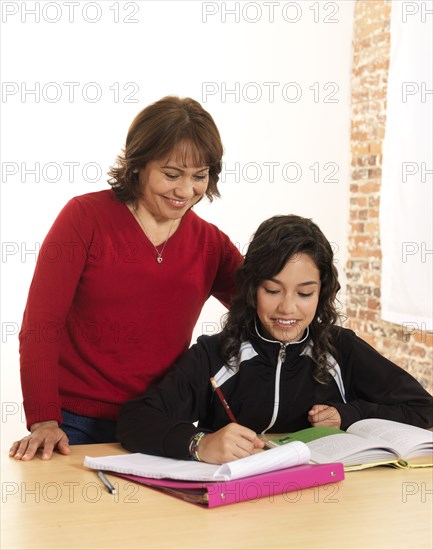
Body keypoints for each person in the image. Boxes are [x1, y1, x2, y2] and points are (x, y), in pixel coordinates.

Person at [10, 96, 243, 461]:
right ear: (138, 165)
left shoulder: (211, 244)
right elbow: (41, 324)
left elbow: (271, 308)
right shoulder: (84, 218)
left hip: (161, 423)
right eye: (171, 174)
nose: (185, 191)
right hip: (74, 424)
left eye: (200, 176)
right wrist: (43, 421)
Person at [117, 214, 433, 465]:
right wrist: (200, 443)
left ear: (321, 293)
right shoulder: (215, 354)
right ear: (253, 288)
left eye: (305, 293)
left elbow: (423, 408)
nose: (287, 308)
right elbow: (135, 420)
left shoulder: (342, 349)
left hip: (326, 510)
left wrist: (350, 414)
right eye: (272, 290)